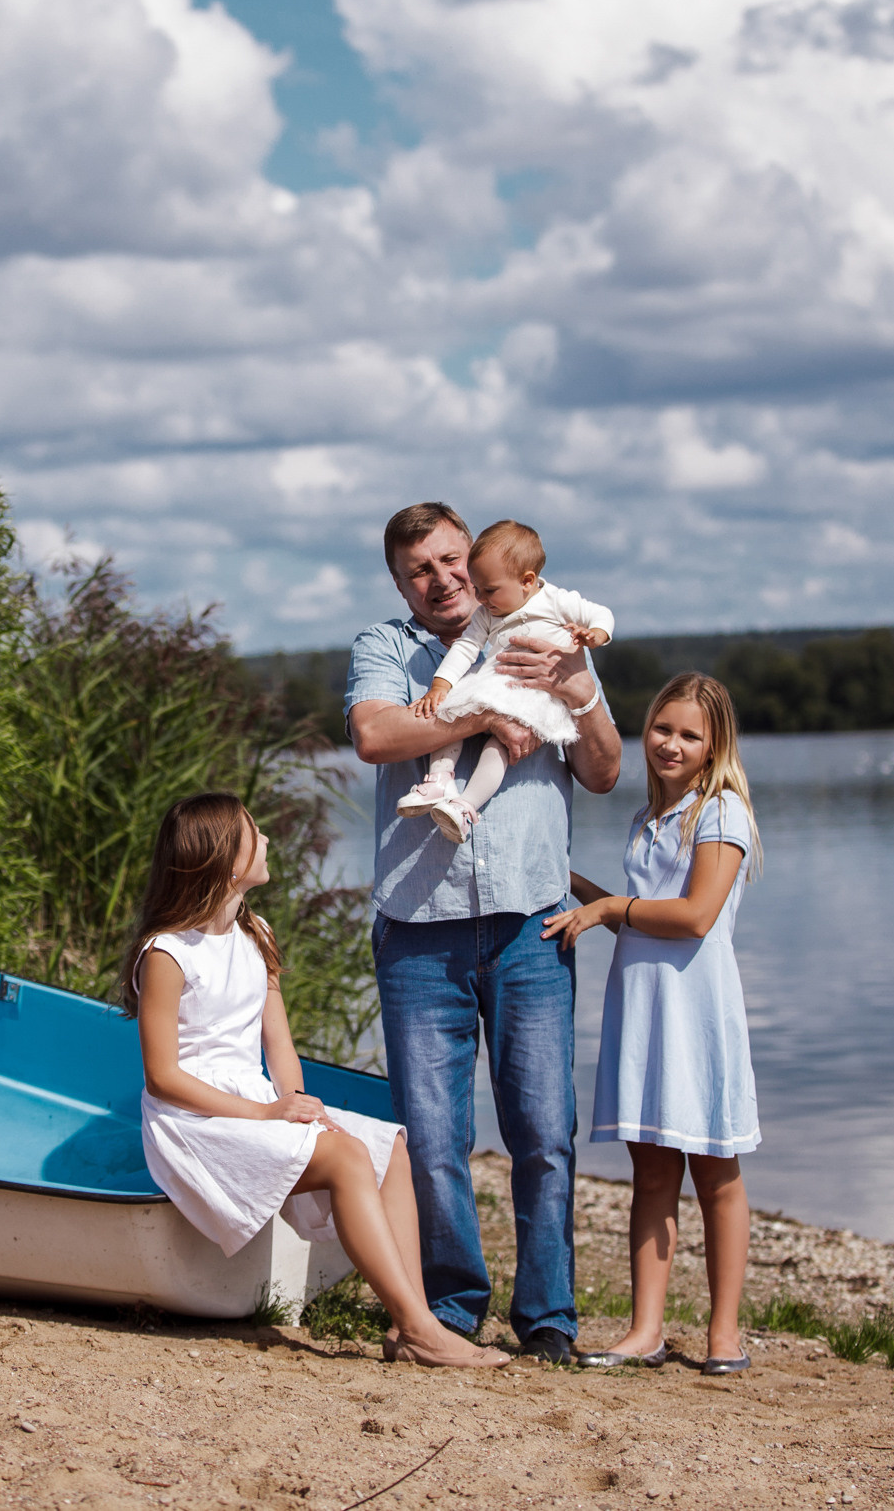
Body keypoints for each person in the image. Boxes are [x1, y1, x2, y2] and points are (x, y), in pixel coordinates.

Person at [345, 502, 621, 1364]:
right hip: (417, 928)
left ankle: (548, 1321)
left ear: (478, 558)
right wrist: (480, 713)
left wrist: (573, 685)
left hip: (531, 923)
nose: (443, 578)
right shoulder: (385, 648)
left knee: (543, 1132)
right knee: (432, 1138)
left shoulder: (548, 633)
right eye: (420, 568)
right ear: (400, 582)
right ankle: (452, 1309)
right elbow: (374, 732)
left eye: (452, 559)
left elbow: (605, 769)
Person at [126, 792, 508, 1368]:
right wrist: (266, 1115)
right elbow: (162, 1078)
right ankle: (421, 1330)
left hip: (254, 1103)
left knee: (389, 1146)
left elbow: (279, 1048)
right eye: (255, 832)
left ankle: (412, 1323)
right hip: (197, 1123)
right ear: (227, 861)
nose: (269, 840)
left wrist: (299, 1103)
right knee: (348, 1158)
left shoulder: (256, 934)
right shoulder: (167, 953)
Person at [543, 672, 763, 1374]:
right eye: (663, 728)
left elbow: (694, 914)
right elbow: (646, 912)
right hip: (642, 1010)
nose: (671, 743)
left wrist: (609, 911)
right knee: (653, 1171)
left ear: (714, 745)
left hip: (696, 1012)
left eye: (690, 734)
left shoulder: (720, 812)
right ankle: (645, 1329)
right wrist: (578, 886)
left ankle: (723, 1332)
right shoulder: (646, 819)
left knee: (717, 1171)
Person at [401, 519, 614, 844]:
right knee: (451, 710)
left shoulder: (557, 601)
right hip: (496, 685)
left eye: (490, 590)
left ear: (527, 581)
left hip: (537, 696)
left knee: (499, 746)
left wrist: (596, 634)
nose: (481, 598)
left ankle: (465, 805)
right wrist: (441, 685)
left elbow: (600, 614)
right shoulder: (489, 613)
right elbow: (466, 647)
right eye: (478, 588)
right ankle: (439, 780)